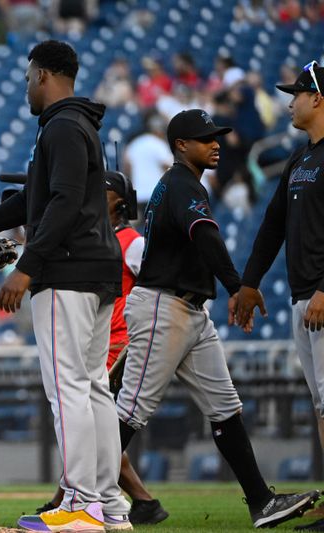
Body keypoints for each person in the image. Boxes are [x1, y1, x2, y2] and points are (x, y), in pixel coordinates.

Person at [0, 40, 131, 532]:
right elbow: (29, 202)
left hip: (66, 270)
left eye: (26, 78)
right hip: (97, 269)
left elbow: (59, 203)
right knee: (93, 388)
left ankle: (82, 506)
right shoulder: (76, 124)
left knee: (68, 392)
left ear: (42, 74)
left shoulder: (62, 125)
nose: (25, 87)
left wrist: (27, 267)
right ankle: (109, 504)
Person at [115, 108, 319, 528]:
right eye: (205, 138)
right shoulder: (180, 184)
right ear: (180, 146)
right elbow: (205, 234)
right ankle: (80, 499)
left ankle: (261, 502)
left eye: (217, 136)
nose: (216, 144)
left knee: (225, 408)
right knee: (130, 412)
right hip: (163, 306)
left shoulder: (181, 184)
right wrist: (237, 286)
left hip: (189, 311)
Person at [33, 170, 168, 525]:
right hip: (101, 337)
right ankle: (110, 499)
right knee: (90, 409)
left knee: (86, 408)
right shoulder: (98, 239)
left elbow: (156, 282)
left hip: (118, 339)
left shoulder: (129, 240)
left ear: (120, 202)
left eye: (104, 190)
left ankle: (87, 498)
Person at [234, 63, 324, 532]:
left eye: (298, 94)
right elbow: (271, 226)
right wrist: (249, 283)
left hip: (321, 296)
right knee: (322, 404)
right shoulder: (300, 157)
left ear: (319, 98)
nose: (290, 102)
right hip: (300, 297)